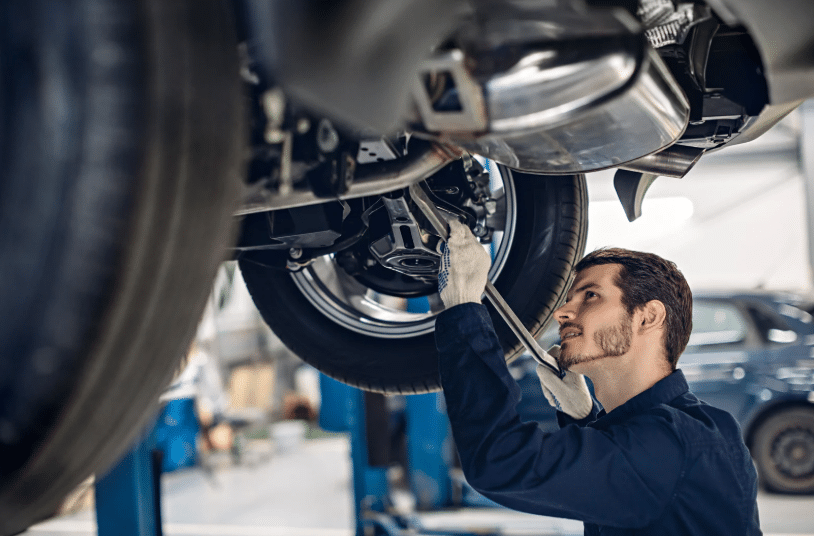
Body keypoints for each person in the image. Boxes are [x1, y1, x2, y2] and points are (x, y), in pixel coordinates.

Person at [434, 220, 761, 535]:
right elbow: (621, 471)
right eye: (569, 299)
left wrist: (464, 307)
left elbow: (498, 461)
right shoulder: (703, 428)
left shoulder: (670, 444)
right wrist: (583, 416)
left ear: (648, 317)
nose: (562, 312)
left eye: (590, 295)